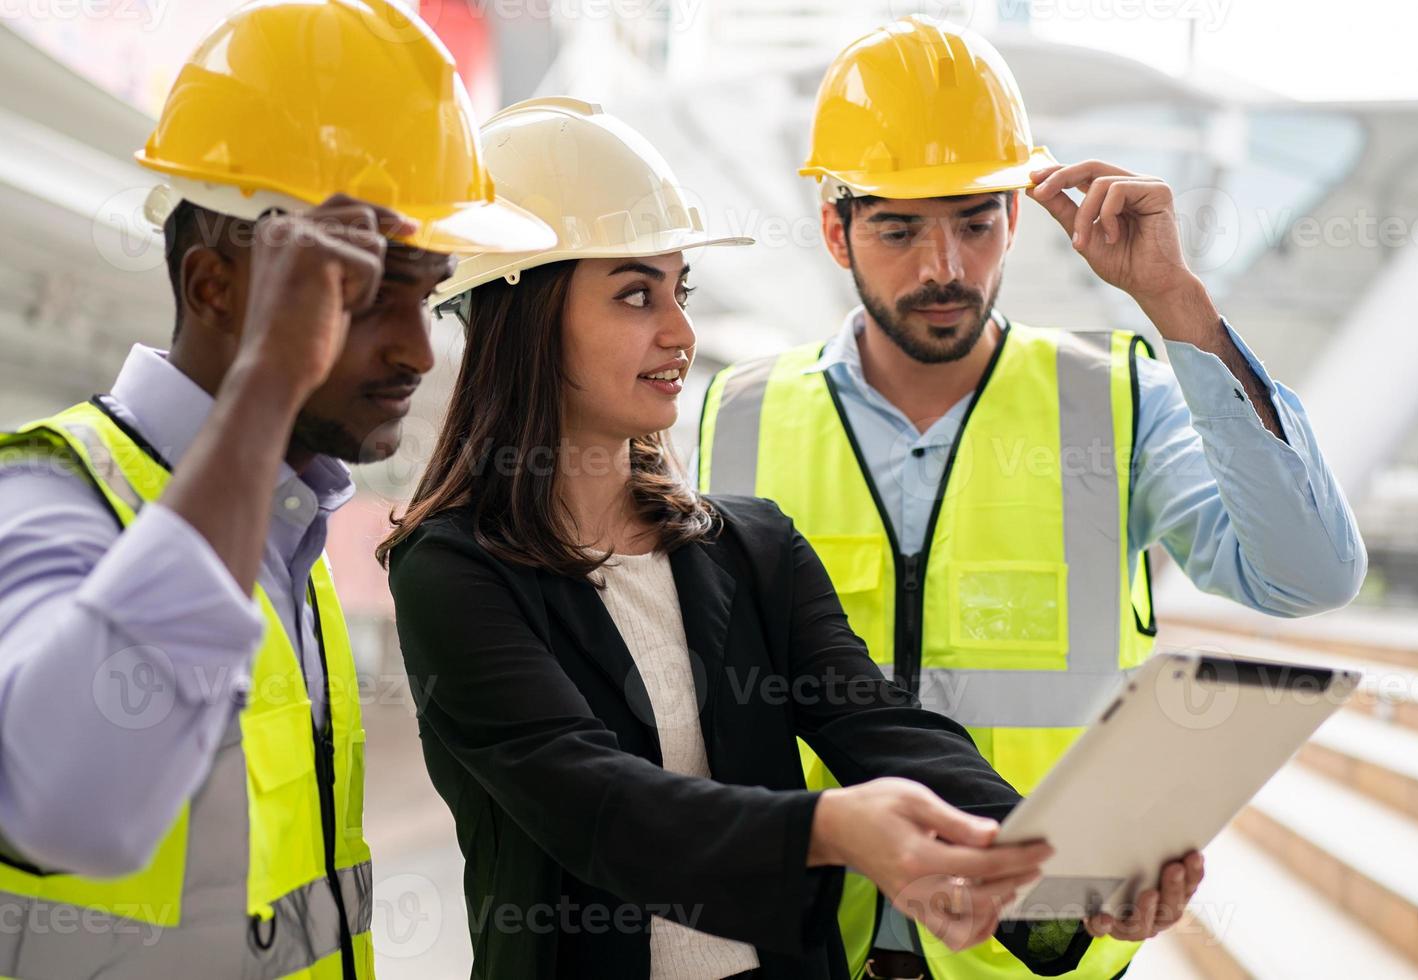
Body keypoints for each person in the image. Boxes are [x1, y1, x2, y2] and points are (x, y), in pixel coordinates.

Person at [381, 97, 1202, 980]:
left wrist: (1059, 878)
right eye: (634, 294)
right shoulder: (454, 572)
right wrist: (827, 831)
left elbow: (885, 730)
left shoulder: (749, 547)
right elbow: (596, 805)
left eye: (678, 291)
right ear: (526, 314)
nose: (680, 332)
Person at [698, 15, 1362, 980]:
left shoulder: (1117, 401)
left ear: (1016, 217)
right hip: (805, 948)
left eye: (974, 222)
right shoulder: (737, 413)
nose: (945, 269)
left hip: (1039, 949)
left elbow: (1309, 574)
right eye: (898, 227)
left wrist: (1176, 301)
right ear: (836, 231)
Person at [0, 2, 553, 977]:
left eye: (425, 295)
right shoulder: (45, 496)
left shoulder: (289, 535)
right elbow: (70, 805)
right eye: (363, 291)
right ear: (215, 285)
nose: (421, 347)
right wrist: (266, 385)